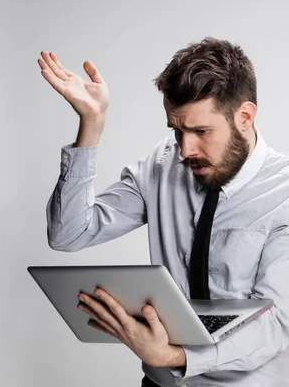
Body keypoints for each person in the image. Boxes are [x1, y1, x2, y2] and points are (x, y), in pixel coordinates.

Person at [39, 38, 289, 386]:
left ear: (244, 116)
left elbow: (277, 323)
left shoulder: (285, 194)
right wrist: (91, 124)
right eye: (176, 130)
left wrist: (174, 357)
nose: (185, 149)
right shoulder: (163, 164)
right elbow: (69, 234)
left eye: (201, 131)